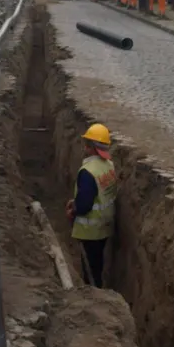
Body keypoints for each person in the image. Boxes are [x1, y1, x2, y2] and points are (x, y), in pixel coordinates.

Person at [65, 123, 117, 287]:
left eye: (87, 143)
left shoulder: (87, 172)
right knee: (98, 262)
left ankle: (94, 293)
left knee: (90, 269)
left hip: (90, 231)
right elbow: (100, 193)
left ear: (92, 147)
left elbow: (85, 205)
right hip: (105, 225)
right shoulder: (109, 166)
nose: (85, 146)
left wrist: (74, 209)